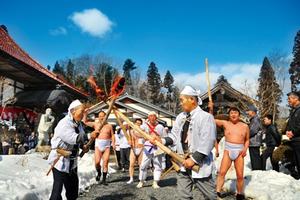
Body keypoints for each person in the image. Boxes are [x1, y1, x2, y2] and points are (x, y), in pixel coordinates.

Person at [160, 86, 217, 199]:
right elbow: (174, 136)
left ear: (192, 99)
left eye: (182, 100)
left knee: (209, 196)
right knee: (183, 196)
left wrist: (194, 159)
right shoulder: (180, 117)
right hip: (182, 163)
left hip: (199, 164)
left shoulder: (205, 117)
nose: (180, 103)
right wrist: (161, 140)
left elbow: (208, 141)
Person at [48, 100, 92, 200]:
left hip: (72, 162)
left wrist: (83, 146)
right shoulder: (64, 123)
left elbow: (79, 141)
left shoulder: (79, 124)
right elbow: (73, 138)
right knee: (57, 192)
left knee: (72, 191)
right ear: (73, 111)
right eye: (81, 111)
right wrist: (89, 135)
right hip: (59, 161)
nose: (83, 113)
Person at [210, 104, 249, 200]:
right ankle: (218, 192)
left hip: (239, 152)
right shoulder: (225, 123)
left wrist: (245, 149)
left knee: (240, 175)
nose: (233, 114)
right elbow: (211, 120)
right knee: (222, 172)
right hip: (228, 151)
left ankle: (240, 193)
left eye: (235, 112)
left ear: (239, 115)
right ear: (229, 115)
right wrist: (211, 109)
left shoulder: (245, 126)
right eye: (231, 113)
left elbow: (247, 140)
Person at [83, 111, 115, 185]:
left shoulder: (109, 126)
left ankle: (104, 180)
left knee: (105, 162)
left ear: (105, 117)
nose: (102, 117)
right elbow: (85, 122)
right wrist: (85, 114)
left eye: (103, 116)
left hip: (106, 145)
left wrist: (113, 143)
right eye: (100, 116)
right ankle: (99, 173)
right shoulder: (95, 124)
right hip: (98, 145)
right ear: (98, 117)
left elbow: (112, 135)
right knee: (97, 163)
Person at [137, 112, 164, 189]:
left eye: (154, 116)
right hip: (147, 147)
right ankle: (141, 181)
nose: (152, 118)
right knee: (143, 165)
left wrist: (158, 139)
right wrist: (144, 136)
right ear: (148, 117)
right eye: (150, 116)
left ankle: (155, 182)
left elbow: (165, 137)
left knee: (158, 165)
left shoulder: (160, 127)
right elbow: (136, 133)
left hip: (158, 147)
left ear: (156, 118)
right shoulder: (144, 126)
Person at [286, 91, 300, 179]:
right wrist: (288, 131)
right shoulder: (294, 110)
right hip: (294, 140)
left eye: (289, 99)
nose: (288, 101)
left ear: (296, 98)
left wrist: (293, 132)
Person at [127, 118, 144, 184]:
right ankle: (131, 178)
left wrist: (138, 133)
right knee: (131, 164)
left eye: (140, 123)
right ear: (135, 123)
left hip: (141, 148)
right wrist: (130, 141)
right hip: (133, 148)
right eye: (137, 123)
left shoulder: (142, 130)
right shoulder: (130, 131)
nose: (138, 125)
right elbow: (129, 139)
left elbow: (144, 137)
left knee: (141, 165)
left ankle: (141, 178)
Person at [246, 105, 262, 170]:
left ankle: (257, 170)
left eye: (248, 111)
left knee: (255, 157)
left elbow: (253, 130)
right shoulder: (254, 119)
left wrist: (246, 135)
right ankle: (256, 169)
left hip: (254, 141)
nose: (248, 113)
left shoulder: (255, 120)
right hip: (254, 142)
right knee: (254, 157)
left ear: (252, 112)